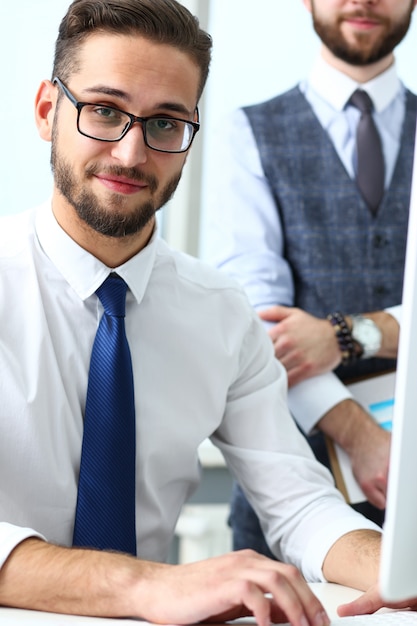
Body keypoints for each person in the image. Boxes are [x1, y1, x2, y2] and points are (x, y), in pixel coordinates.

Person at [0, 1, 416, 624]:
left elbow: (300, 505)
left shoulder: (221, 314)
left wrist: (398, 566)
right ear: (46, 110)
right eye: (104, 111)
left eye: (166, 123)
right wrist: (146, 586)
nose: (132, 152)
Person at [206, 0, 417, 553]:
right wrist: (362, 436)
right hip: (288, 484)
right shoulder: (247, 133)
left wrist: (343, 334)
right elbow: (261, 325)